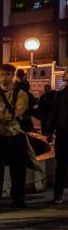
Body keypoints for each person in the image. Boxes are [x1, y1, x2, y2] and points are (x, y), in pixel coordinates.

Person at [0, 64, 35, 211]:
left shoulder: (21, 93)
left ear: (13, 76)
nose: (4, 78)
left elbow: (17, 112)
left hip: (15, 135)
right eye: (2, 74)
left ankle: (18, 198)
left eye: (8, 74)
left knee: (19, 168)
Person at [46, 70, 68, 204]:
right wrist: (49, 132)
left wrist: (49, 131)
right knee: (61, 165)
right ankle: (58, 194)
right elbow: (53, 114)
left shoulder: (60, 94)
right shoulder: (60, 95)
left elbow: (53, 114)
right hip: (63, 133)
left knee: (61, 165)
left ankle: (58, 195)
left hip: (62, 133)